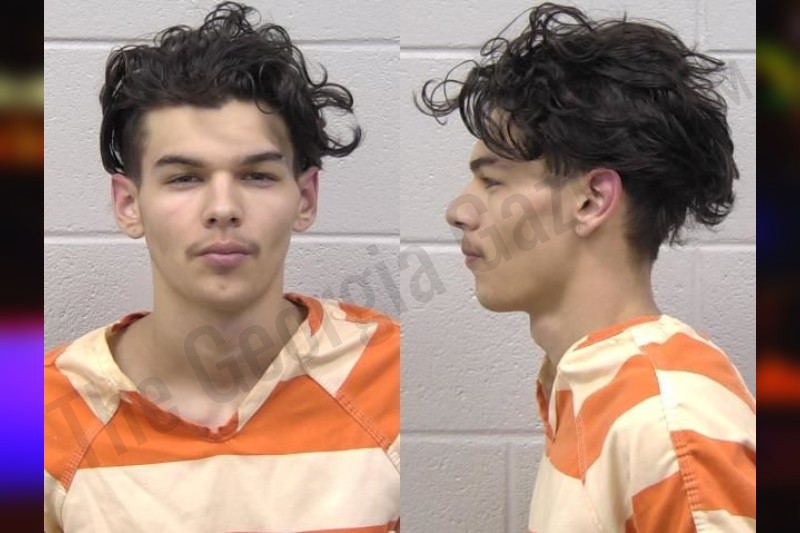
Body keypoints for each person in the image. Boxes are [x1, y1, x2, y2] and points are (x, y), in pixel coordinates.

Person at [44, 3, 399, 532]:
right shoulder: (33, 416)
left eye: (257, 175)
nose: (223, 208)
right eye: (184, 178)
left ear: (305, 198)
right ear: (129, 205)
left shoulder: (389, 377)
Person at [418, 3, 755, 531]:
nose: (459, 212)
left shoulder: (668, 426)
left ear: (592, 201)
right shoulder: (590, 386)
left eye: (493, 182)